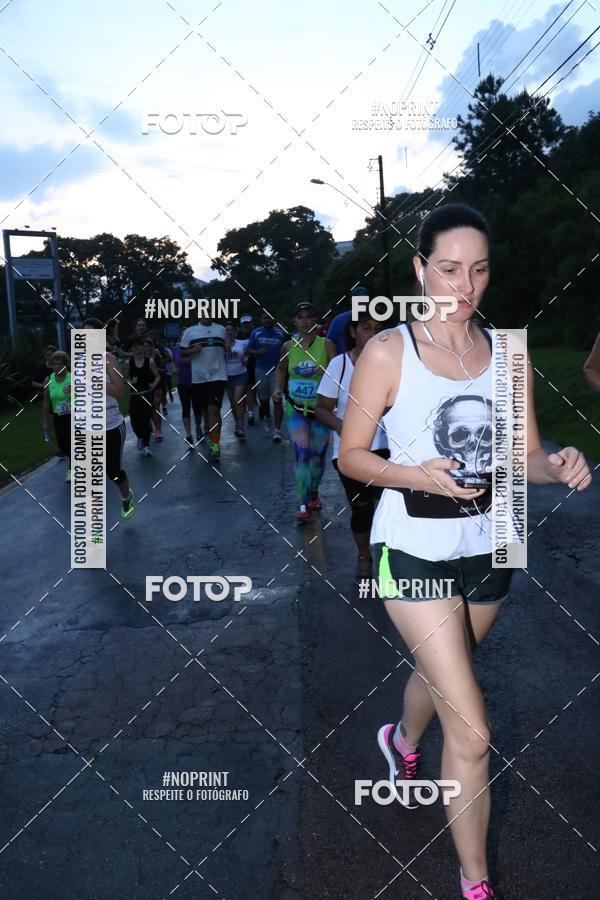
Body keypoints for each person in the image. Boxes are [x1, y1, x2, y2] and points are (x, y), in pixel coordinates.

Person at [337, 203, 592, 900]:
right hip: (411, 546)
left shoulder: (508, 351)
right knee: (473, 732)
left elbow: (527, 456)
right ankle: (475, 884)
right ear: (420, 269)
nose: (465, 284)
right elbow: (353, 456)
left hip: (492, 542)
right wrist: (413, 472)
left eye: (478, 270)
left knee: (451, 670)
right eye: (449, 268)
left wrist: (558, 462)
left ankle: (400, 740)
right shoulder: (388, 352)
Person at [316, 310, 388, 581]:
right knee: (362, 508)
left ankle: (390, 557)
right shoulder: (339, 366)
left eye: (379, 329)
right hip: (349, 451)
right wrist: (342, 427)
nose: (373, 335)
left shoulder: (396, 364)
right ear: (353, 332)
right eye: (367, 328)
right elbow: (322, 408)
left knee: (389, 506)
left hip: (387, 449)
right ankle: (364, 556)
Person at [274, 302, 336, 522]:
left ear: (315, 321)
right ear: (295, 321)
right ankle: (303, 503)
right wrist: (278, 389)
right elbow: (281, 370)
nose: (305, 321)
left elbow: (339, 373)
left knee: (318, 457)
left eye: (309, 317)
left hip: (321, 410)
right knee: (302, 454)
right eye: (300, 317)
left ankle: (313, 492)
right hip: (296, 408)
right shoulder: (288, 347)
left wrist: (326, 370)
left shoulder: (327, 345)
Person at [83, 318, 135, 519]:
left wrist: (95, 380)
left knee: (113, 471)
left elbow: (120, 391)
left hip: (111, 423)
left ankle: (126, 497)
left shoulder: (108, 359)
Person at [180, 314, 227, 460]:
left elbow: (225, 348)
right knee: (206, 412)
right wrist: (193, 350)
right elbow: (182, 352)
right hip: (199, 379)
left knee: (214, 409)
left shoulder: (221, 329)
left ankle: (215, 445)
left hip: (218, 376)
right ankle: (209, 430)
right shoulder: (190, 331)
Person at [245, 311, 287, 441]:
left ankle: (277, 431)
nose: (267, 319)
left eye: (269, 317)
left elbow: (287, 349)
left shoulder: (281, 333)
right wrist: (257, 352)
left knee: (277, 399)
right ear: (261, 320)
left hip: (277, 370)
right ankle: (267, 415)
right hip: (261, 370)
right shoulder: (256, 333)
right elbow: (247, 350)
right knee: (263, 400)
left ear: (273, 318)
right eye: (264, 318)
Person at [128, 336, 161, 456]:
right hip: (134, 396)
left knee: (145, 419)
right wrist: (129, 381)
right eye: (133, 346)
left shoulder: (150, 362)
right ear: (132, 349)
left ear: (142, 348)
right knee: (134, 421)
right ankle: (140, 437)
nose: (136, 348)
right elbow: (123, 376)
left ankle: (146, 445)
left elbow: (158, 376)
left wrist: (153, 385)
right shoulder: (129, 362)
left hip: (146, 395)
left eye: (138, 345)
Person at [42, 350, 72, 480]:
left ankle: (72, 469)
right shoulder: (49, 380)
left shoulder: (74, 378)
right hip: (58, 416)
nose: (57, 367)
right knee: (63, 445)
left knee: (73, 443)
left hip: (75, 416)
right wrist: (45, 422)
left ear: (66, 364)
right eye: (54, 364)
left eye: (60, 364)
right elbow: (46, 401)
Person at [171, 337, 199, 446]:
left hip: (195, 381)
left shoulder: (195, 348)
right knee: (185, 408)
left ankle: (198, 427)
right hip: (181, 382)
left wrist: (190, 360)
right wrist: (174, 369)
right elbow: (174, 362)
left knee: (197, 407)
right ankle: (189, 435)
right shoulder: (176, 349)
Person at [225, 321, 248, 440]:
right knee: (233, 404)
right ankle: (237, 423)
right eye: (227, 330)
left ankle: (241, 427)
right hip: (227, 376)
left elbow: (248, 353)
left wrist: (246, 358)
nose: (229, 332)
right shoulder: (222, 344)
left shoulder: (242, 343)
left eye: (231, 330)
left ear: (235, 331)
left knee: (238, 400)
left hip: (241, 374)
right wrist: (225, 349)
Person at [238, 315, 257, 425]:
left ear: (251, 323)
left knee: (255, 387)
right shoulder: (238, 335)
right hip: (241, 365)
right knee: (247, 387)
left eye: (247, 323)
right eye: (244, 324)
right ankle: (250, 410)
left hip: (255, 363)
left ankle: (260, 405)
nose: (246, 325)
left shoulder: (255, 333)